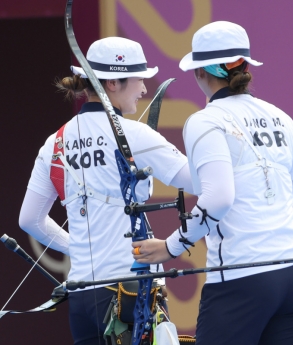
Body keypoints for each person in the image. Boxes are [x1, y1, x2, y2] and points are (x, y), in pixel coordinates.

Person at [131, 21, 293, 344]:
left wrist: (169, 248)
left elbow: (218, 199)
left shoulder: (205, 120)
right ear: (246, 66)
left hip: (243, 277)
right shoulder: (281, 116)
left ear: (200, 72)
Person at [18, 37, 192, 345]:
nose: (143, 89)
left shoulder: (54, 142)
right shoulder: (134, 134)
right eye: (139, 79)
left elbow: (30, 220)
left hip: (83, 297)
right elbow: (198, 181)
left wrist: (80, 248)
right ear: (112, 83)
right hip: (128, 295)